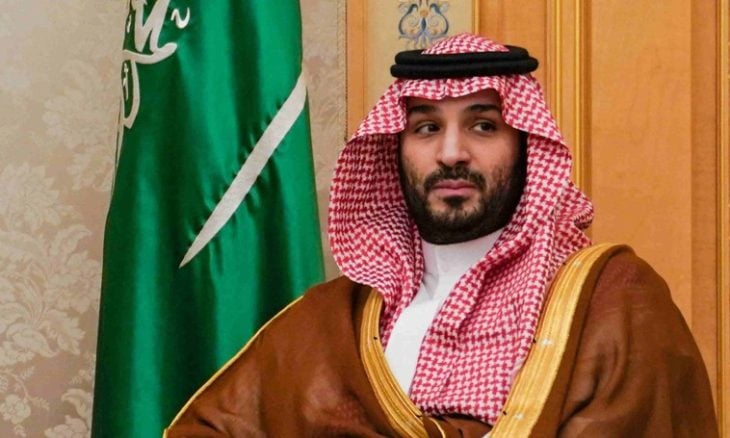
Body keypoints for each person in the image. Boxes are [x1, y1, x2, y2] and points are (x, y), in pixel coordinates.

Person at [164, 33, 717, 437]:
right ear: (394, 149)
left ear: (527, 147)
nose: (452, 153)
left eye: (484, 126)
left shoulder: (615, 302)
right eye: (427, 127)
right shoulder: (330, 318)